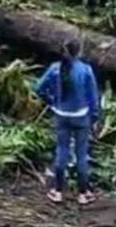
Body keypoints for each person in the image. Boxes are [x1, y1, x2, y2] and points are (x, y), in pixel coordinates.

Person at [34, 39, 102, 205]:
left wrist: (51, 100)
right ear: (78, 52)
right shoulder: (85, 70)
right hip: (81, 116)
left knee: (61, 151)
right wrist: (94, 116)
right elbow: (93, 96)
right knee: (81, 154)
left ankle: (58, 191)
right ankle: (83, 193)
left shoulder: (55, 69)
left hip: (61, 115)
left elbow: (38, 88)